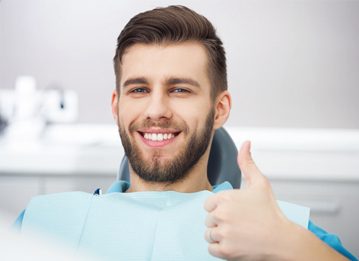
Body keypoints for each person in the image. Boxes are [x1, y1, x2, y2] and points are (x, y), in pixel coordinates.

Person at [15, 5, 356, 261]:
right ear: (116, 106)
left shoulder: (280, 231)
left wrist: (287, 242)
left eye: (179, 90)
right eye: (138, 90)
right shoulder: (41, 222)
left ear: (219, 108)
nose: (156, 110)